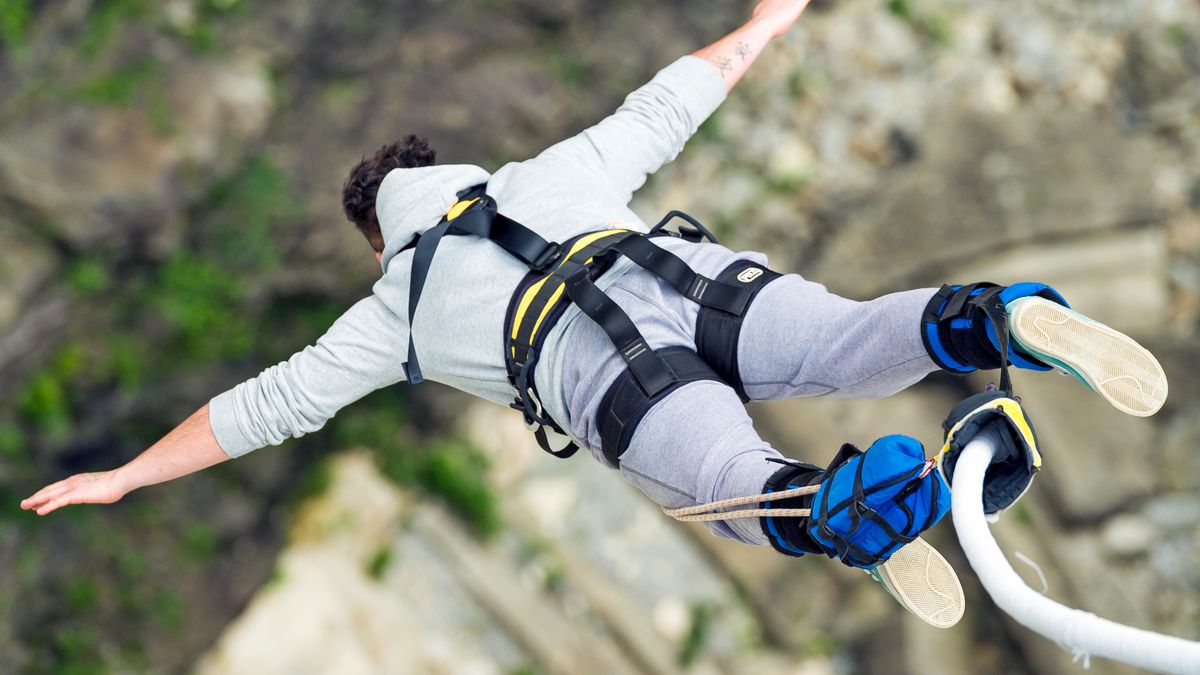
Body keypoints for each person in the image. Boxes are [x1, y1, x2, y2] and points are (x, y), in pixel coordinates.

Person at [20, 0, 1167, 628]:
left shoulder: (391, 316)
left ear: (380, 233)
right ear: (451, 170)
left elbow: (255, 410)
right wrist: (770, 21)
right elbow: (677, 90)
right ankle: (989, 323)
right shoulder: (548, 171)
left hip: (618, 387)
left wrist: (123, 476)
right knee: (845, 345)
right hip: (707, 291)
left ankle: (855, 513)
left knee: (742, 491)